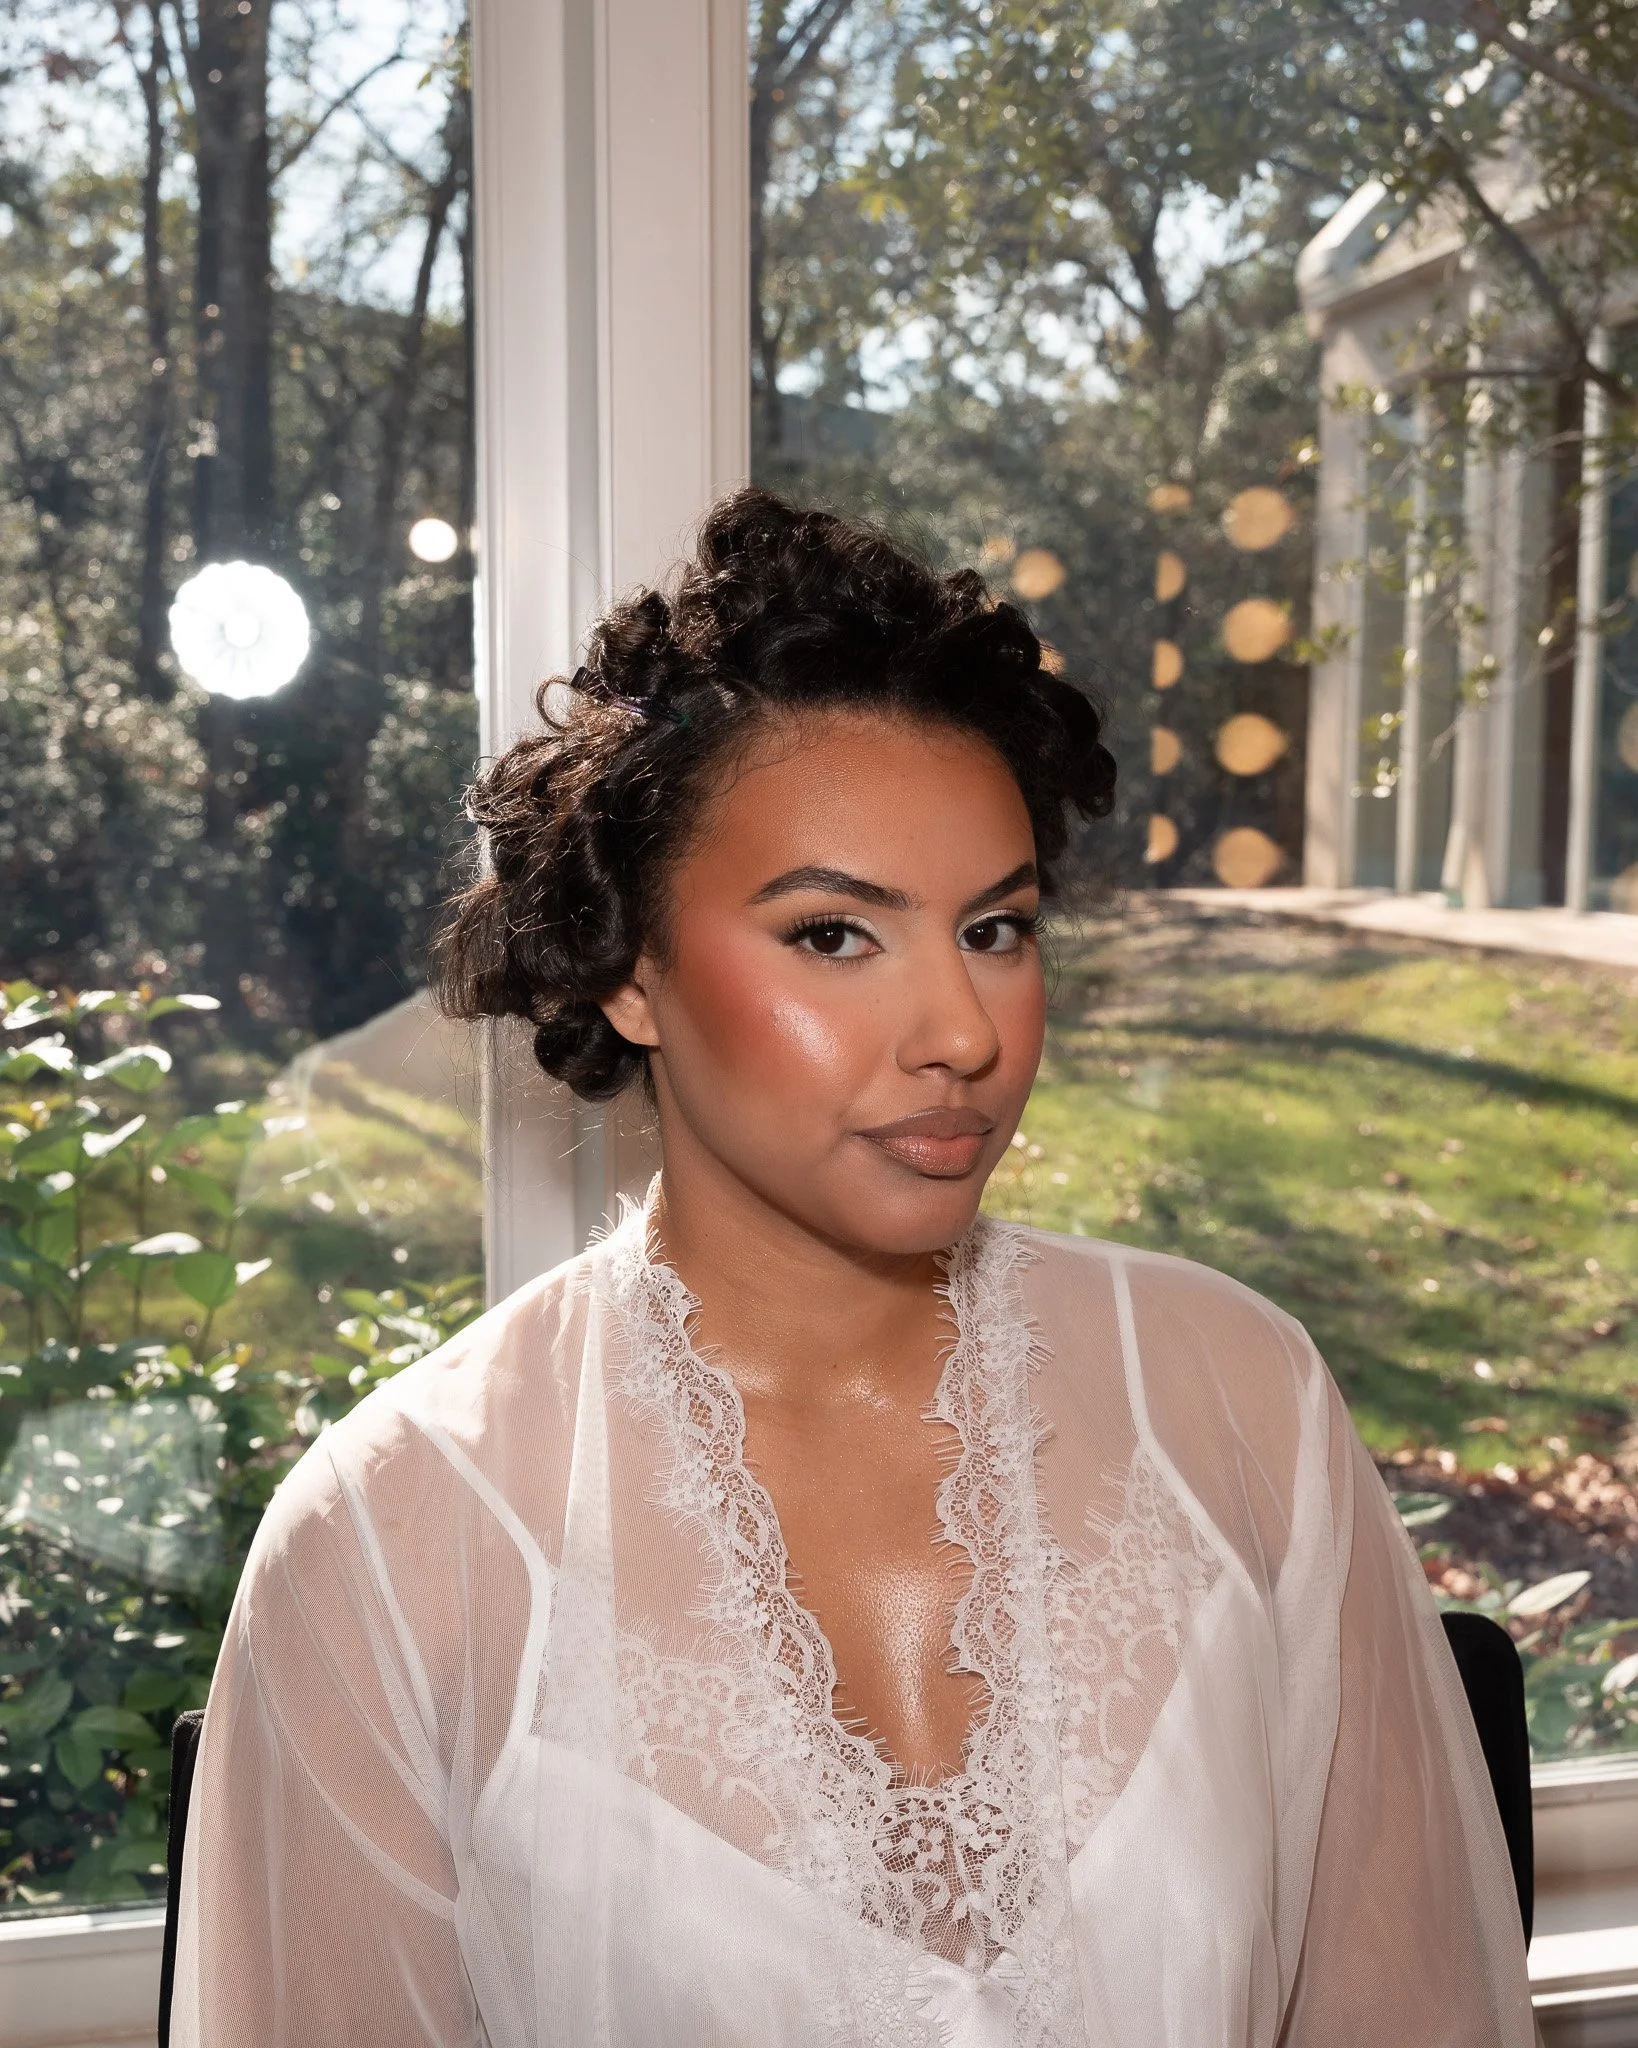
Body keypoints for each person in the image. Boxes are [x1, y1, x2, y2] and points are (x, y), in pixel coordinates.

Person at [171, 490, 1535, 2046]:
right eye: (833, 935)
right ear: (628, 971)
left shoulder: (1240, 1401)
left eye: (996, 930)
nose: (961, 1032)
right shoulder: (394, 1534)